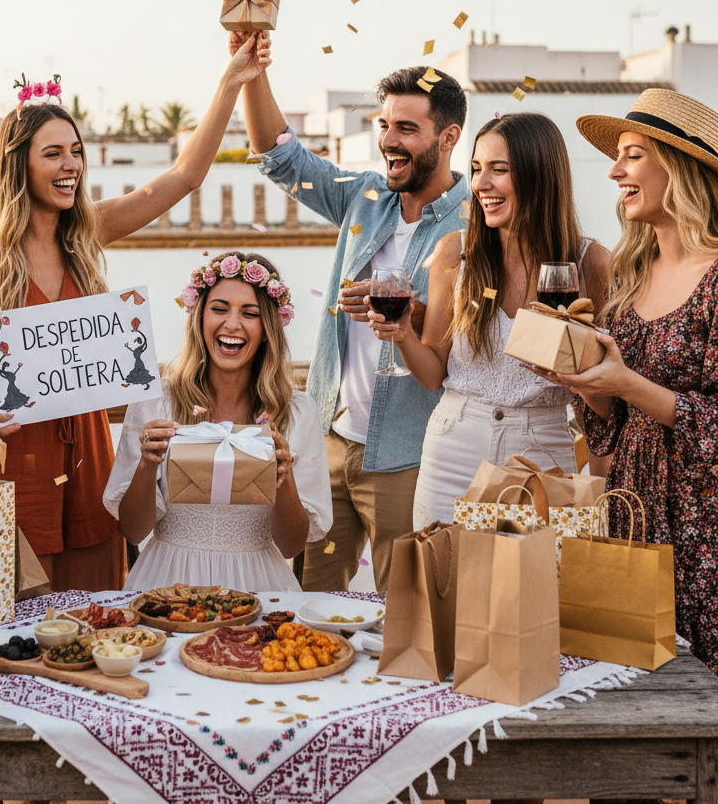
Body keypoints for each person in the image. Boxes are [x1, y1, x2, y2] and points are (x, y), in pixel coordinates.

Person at [0, 37, 272, 592]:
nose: (71, 166)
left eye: (76, 151)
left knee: (94, 615)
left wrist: (230, 82)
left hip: (88, 458)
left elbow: (183, 177)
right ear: (18, 164)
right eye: (53, 153)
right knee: (18, 621)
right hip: (16, 463)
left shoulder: (87, 232)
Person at [239, 48, 469, 593]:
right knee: (309, 603)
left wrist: (409, 309)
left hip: (409, 456)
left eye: (407, 128)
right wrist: (253, 72)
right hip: (328, 442)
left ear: (449, 137)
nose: (389, 139)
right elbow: (281, 157)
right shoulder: (367, 197)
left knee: (403, 609)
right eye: (384, 125)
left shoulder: (476, 223)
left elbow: (474, 337)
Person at [537, 89, 718, 676]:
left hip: (703, 526)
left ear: (681, 169)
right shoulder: (630, 274)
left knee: (698, 691)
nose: (615, 171)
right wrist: (585, 383)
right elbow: (612, 425)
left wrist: (626, 383)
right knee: (630, 676)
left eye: (633, 155)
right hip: (633, 515)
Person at [368, 112, 610, 527]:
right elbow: (433, 374)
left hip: (544, 453)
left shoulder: (591, 263)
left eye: (499, 170)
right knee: (444, 567)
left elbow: (606, 405)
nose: (480, 184)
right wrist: (403, 333)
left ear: (539, 176)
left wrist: (576, 375)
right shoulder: (455, 253)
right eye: (477, 168)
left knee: (539, 570)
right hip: (453, 450)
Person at [103, 252, 331, 590]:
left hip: (259, 582)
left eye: (250, 313)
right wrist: (147, 465)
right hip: (166, 579)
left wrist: (284, 479)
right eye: (219, 309)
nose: (232, 324)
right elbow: (134, 531)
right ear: (199, 318)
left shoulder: (298, 411)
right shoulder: (155, 402)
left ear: (267, 329)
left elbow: (291, 546)